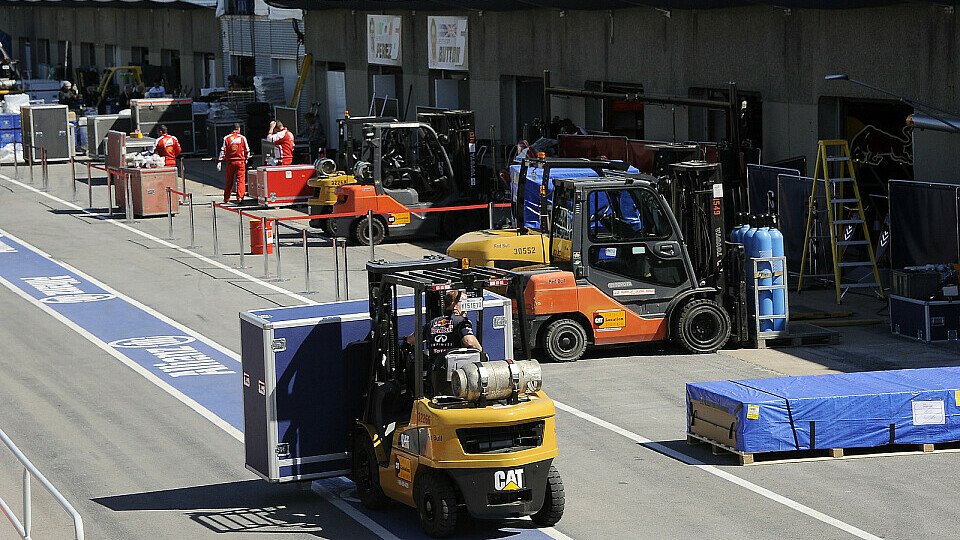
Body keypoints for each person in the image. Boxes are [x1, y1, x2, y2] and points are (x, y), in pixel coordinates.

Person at [217, 123, 251, 204]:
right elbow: (247, 150)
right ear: (239, 129)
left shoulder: (226, 138)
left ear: (232, 129)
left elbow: (223, 150)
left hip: (230, 162)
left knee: (229, 180)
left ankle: (226, 198)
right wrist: (246, 158)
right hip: (240, 162)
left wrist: (219, 161)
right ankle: (240, 198)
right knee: (241, 180)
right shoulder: (243, 138)